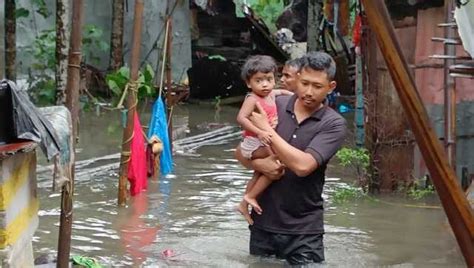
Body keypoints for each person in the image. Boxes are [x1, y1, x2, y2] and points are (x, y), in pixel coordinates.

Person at [235, 51, 347, 265]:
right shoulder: (273, 105)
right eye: (304, 83)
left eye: (317, 86)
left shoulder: (333, 124)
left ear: (331, 87)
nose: (308, 92)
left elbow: (303, 166)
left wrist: (267, 129)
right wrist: (260, 164)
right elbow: (240, 152)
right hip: (262, 223)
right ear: (296, 80)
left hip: (304, 230)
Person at [236, 55, 293, 225]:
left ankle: (244, 204)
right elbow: (241, 118)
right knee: (276, 165)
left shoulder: (271, 94)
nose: (265, 84)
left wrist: (295, 96)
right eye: (259, 81)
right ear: (249, 83)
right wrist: (259, 132)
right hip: (253, 143)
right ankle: (250, 196)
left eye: (269, 79)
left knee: (260, 172)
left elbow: (282, 91)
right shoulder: (252, 99)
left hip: (262, 141)